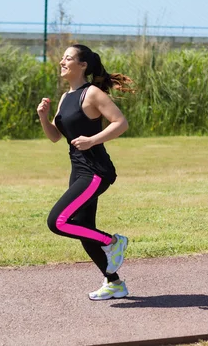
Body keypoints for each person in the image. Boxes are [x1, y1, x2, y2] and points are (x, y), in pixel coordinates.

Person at [37, 44, 134, 301]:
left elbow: (121, 123)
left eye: (68, 58)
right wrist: (44, 118)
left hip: (96, 171)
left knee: (58, 222)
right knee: (82, 227)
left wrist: (92, 140)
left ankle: (113, 242)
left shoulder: (91, 94)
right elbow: (57, 137)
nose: (62, 61)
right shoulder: (66, 97)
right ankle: (114, 283)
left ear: (82, 65)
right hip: (79, 170)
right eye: (62, 58)